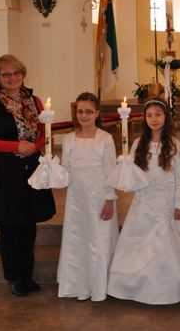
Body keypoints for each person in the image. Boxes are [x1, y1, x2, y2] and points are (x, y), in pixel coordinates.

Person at [0, 54, 55, 297]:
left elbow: (45, 133)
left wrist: (34, 145)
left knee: (29, 224)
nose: (13, 78)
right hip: (5, 171)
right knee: (10, 226)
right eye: (6, 74)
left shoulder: (35, 101)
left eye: (16, 73)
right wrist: (15, 146)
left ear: (23, 74)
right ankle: (14, 277)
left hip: (31, 166)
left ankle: (27, 275)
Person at [107, 98, 180, 305]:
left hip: (166, 202)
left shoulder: (175, 145)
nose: (154, 119)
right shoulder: (138, 144)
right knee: (138, 241)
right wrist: (125, 167)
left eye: (158, 114)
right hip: (144, 201)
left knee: (167, 245)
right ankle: (133, 288)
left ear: (166, 117)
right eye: (150, 115)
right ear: (144, 119)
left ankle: (168, 287)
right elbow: (134, 175)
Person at [57, 92, 118, 302]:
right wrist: (51, 169)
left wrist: (109, 200)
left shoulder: (105, 138)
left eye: (89, 111)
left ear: (97, 113)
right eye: (80, 111)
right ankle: (78, 284)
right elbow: (65, 171)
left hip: (100, 197)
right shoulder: (68, 139)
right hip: (77, 198)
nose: (84, 115)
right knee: (78, 239)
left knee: (98, 240)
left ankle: (98, 285)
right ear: (76, 113)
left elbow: (111, 171)